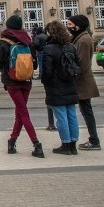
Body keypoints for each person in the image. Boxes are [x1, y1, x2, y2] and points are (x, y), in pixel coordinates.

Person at [0, 15, 44, 158]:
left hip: (12, 82)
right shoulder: (28, 41)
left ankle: (36, 144)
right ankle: (12, 141)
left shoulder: (3, 43)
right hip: (27, 81)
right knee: (20, 113)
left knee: (23, 113)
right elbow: (35, 65)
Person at [40, 20, 80, 155]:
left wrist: (45, 82)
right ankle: (73, 145)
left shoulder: (48, 49)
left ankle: (65, 144)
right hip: (71, 84)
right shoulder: (71, 46)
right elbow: (77, 65)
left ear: (51, 33)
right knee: (72, 114)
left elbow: (47, 71)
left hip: (56, 87)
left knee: (61, 116)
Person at [66, 14, 101, 150]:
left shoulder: (83, 40)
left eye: (70, 24)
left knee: (87, 111)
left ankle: (94, 140)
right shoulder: (80, 38)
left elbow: (82, 64)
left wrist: (70, 74)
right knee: (86, 110)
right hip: (82, 82)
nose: (68, 27)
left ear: (78, 25)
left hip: (83, 83)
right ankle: (93, 139)